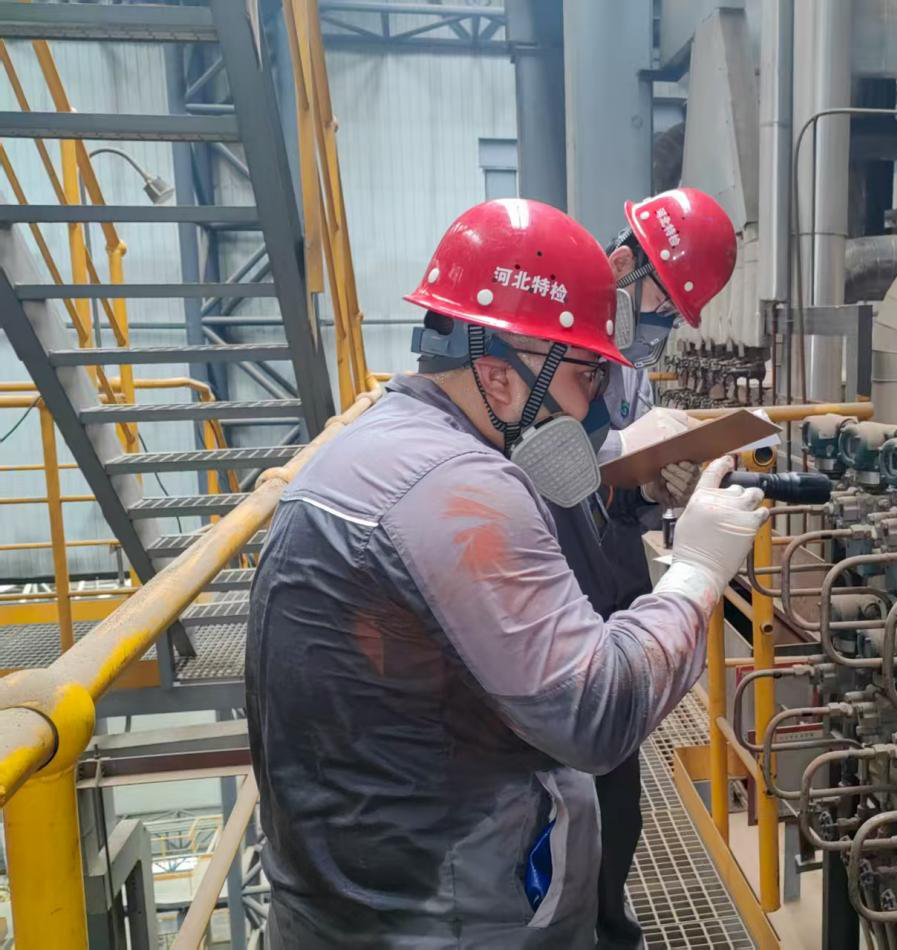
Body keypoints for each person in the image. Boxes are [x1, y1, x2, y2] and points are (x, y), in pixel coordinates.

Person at [246, 197, 767, 949]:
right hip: (445, 920)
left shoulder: (379, 444)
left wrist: (627, 484)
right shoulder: (458, 488)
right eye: (588, 375)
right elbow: (597, 713)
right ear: (500, 378)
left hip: (356, 901)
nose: (595, 407)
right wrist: (697, 568)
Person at [545, 187, 738, 949]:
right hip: (558, 590)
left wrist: (652, 486)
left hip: (607, 578)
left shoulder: (623, 364)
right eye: (660, 304)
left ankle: (605, 923)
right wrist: (619, 453)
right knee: (569, 809)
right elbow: (537, 474)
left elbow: (606, 481)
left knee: (615, 807)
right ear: (624, 264)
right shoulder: (550, 348)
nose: (660, 326)